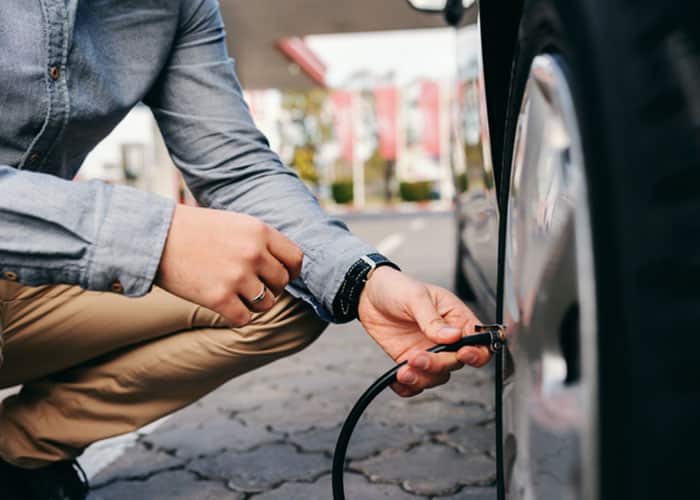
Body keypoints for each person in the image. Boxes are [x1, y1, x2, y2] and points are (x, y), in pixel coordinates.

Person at [0, 1, 491, 498]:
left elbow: (238, 169)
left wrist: (365, 281)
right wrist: (155, 239)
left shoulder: (177, 8)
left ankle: (17, 455)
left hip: (22, 287)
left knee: (281, 286)